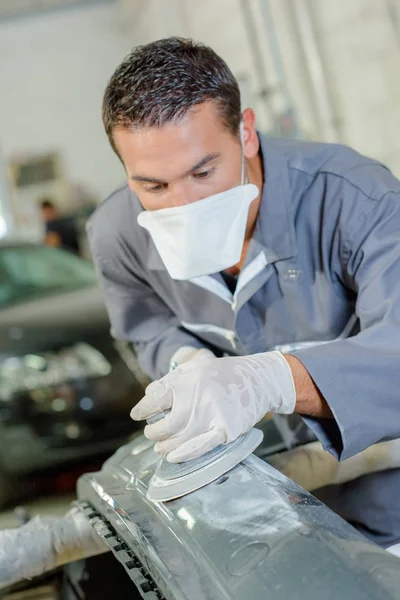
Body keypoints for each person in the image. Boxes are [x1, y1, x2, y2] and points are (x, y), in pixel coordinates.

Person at [87, 38, 400, 550]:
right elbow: (146, 329)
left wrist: (271, 379)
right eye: (153, 186)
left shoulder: (354, 198)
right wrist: (183, 360)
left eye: (203, 171)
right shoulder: (116, 232)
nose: (183, 205)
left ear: (246, 133)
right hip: (261, 519)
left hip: (389, 507)